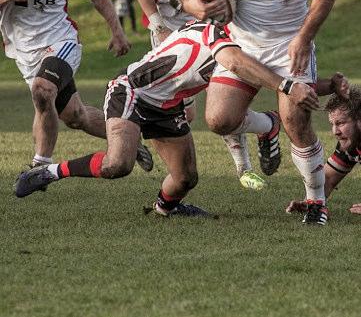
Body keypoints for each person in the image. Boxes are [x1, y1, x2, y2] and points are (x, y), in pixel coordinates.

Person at [14, 19, 319, 219]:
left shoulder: (239, 42)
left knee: (186, 178)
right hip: (131, 92)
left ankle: (165, 209)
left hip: (168, 107)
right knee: (117, 164)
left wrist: (326, 85)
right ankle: (50, 172)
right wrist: (287, 87)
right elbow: (234, 62)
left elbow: (256, 78)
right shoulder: (216, 35)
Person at [179, 0, 339, 225]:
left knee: (297, 123)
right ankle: (269, 125)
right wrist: (193, 5)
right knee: (219, 120)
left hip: (289, 46)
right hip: (242, 45)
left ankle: (316, 202)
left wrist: (304, 37)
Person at [131, 0, 269, 191]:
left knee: (226, 96)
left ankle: (244, 167)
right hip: (173, 36)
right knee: (182, 108)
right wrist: (158, 25)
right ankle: (134, 144)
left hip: (212, 30)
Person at [0, 0, 152, 175]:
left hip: (61, 40)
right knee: (75, 116)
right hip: (24, 50)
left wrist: (117, 32)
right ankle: (129, 137)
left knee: (42, 89)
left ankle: (40, 166)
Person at [286, 83, 361, 216]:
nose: (335, 132)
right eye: (332, 124)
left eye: (341, 123)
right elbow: (328, 178)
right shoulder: (350, 144)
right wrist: (313, 201)